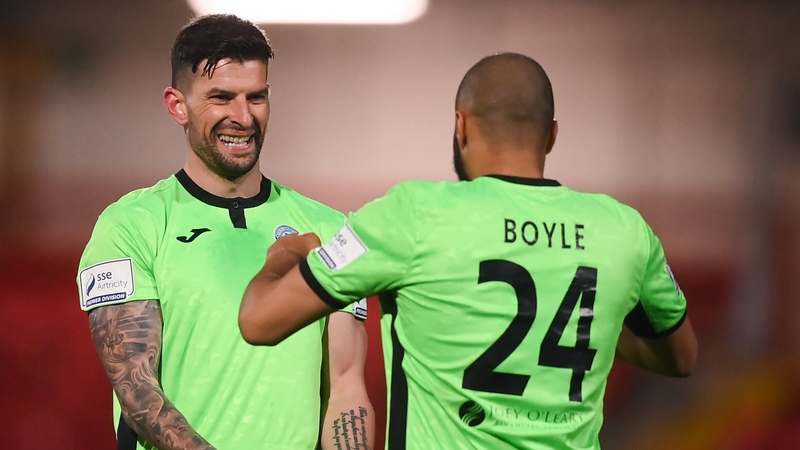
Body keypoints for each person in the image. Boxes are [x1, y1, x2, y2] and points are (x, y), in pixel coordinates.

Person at [238, 52, 698, 449]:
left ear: (461, 125)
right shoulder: (624, 230)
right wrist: (576, 326)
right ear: (551, 135)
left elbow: (260, 321)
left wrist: (280, 258)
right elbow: (682, 357)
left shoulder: (413, 215)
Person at [77, 14, 373, 450]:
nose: (243, 116)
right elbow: (136, 391)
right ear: (177, 105)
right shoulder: (130, 225)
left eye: (257, 97)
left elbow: (346, 390)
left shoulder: (332, 230)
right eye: (221, 97)